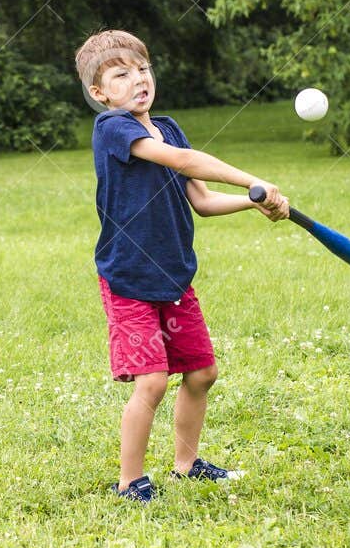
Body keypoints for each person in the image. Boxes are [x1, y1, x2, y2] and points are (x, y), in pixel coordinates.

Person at [75, 30, 287, 502]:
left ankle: (186, 466)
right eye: (122, 74)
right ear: (100, 92)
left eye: (144, 70)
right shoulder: (113, 128)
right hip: (128, 278)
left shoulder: (168, 126)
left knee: (202, 372)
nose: (139, 80)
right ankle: (130, 482)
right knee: (151, 380)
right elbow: (182, 161)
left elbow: (204, 201)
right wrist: (254, 179)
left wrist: (252, 203)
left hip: (173, 276)